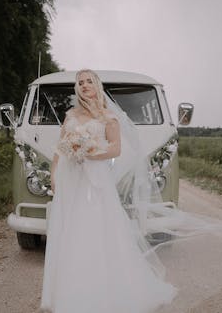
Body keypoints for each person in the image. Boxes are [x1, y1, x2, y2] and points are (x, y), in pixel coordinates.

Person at [40, 69, 177, 313]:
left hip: (95, 180)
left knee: (96, 228)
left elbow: (115, 149)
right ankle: (69, 291)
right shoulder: (70, 115)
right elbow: (60, 149)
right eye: (80, 83)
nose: (84, 86)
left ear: (96, 85)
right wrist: (53, 174)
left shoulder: (108, 116)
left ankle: (100, 291)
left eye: (88, 81)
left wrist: (89, 153)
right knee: (70, 229)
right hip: (71, 180)